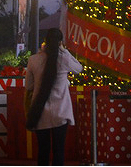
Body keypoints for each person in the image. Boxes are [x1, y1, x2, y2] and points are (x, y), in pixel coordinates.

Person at [25, 28, 83, 166]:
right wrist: (64, 50)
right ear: (60, 42)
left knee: (43, 151)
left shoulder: (33, 60)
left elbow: (29, 86)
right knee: (59, 150)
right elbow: (79, 68)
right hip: (61, 113)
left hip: (40, 111)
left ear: (45, 41)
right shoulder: (63, 60)